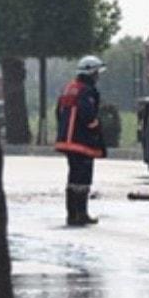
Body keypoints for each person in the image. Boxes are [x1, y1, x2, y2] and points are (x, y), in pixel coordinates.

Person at [54, 56, 107, 226]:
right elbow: (88, 116)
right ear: (91, 72)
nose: (98, 76)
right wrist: (96, 129)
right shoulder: (86, 91)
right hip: (81, 141)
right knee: (83, 177)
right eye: (97, 73)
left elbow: (58, 113)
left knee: (73, 176)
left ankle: (72, 214)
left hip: (67, 139)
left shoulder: (68, 88)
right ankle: (80, 214)